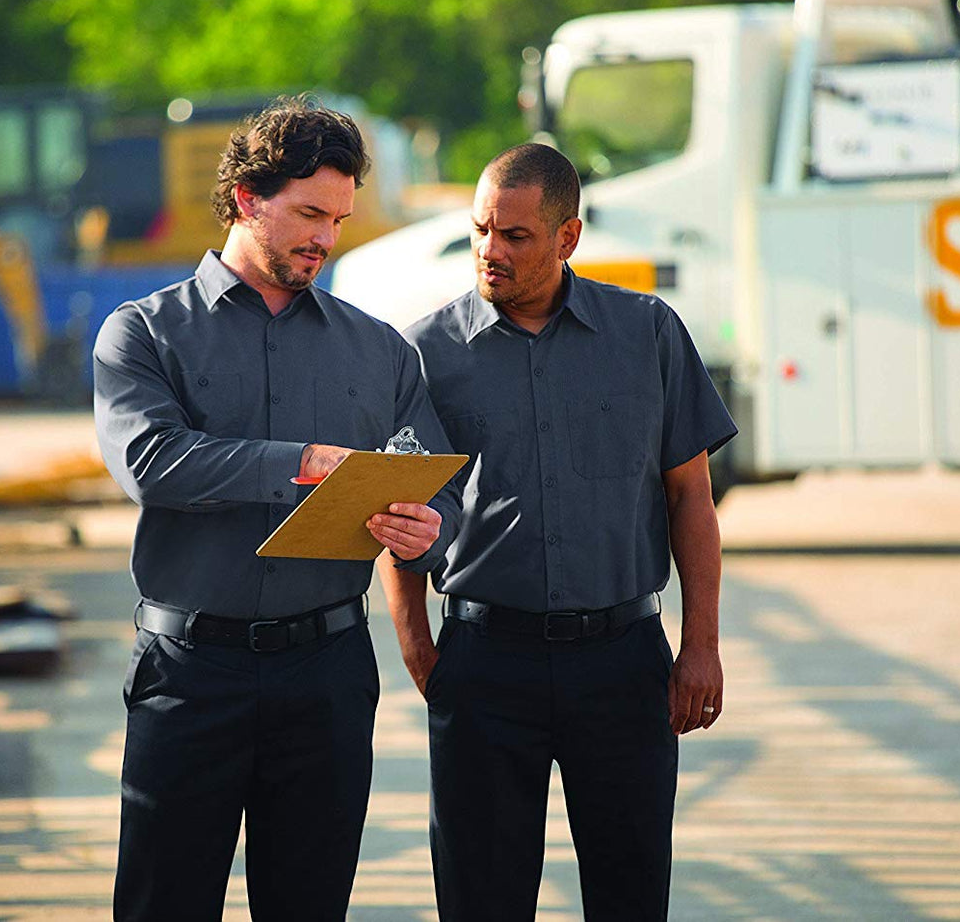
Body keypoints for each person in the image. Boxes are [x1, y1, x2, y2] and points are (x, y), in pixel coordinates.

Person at [94, 96, 460, 922]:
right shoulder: (142, 334)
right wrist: (299, 462)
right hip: (188, 675)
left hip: (325, 678)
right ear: (248, 199)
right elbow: (152, 462)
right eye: (307, 213)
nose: (325, 238)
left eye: (337, 218)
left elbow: (437, 486)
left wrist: (430, 529)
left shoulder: (379, 350)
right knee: (162, 904)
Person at [379, 142, 736, 921]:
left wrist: (700, 644)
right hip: (482, 666)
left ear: (567, 237)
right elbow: (397, 516)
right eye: (478, 230)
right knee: (480, 897)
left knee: (630, 890)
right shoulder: (425, 352)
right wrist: (420, 652)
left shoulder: (645, 332)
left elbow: (690, 500)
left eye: (514, 236)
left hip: (621, 665)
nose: (488, 251)